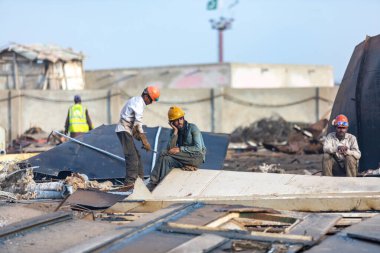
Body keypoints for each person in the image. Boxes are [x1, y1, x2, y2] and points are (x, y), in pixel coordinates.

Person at [147, 106, 206, 191]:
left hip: (196, 156)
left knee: (164, 152)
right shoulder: (175, 131)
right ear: (172, 123)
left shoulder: (193, 128)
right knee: (167, 159)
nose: (179, 122)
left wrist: (181, 149)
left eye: (181, 119)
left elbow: (198, 148)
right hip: (184, 158)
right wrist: (175, 132)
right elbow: (170, 149)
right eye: (176, 121)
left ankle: (153, 182)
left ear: (183, 118)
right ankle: (162, 184)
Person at [115, 86, 160, 189]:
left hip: (126, 130)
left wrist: (139, 137)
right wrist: (145, 141)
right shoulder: (139, 103)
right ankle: (130, 184)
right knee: (132, 157)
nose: (151, 103)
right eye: (151, 100)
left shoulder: (136, 100)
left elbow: (134, 126)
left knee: (137, 156)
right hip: (123, 129)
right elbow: (137, 124)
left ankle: (140, 183)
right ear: (146, 96)